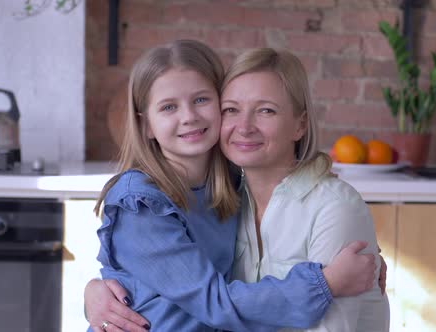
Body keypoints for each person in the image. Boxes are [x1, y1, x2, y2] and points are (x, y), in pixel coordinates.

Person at [84, 40, 379, 332]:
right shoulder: (141, 204)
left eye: (201, 100)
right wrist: (325, 284)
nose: (189, 117)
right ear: (146, 124)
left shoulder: (233, 186)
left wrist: (369, 258)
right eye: (169, 107)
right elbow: (215, 303)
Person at [221, 48, 390, 331]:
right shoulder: (223, 201)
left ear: (300, 125)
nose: (245, 126)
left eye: (266, 110)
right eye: (231, 110)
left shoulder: (335, 207)